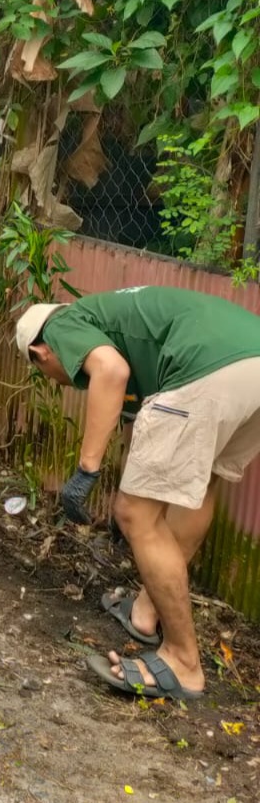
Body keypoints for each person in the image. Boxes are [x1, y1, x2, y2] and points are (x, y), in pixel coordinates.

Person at [15, 285, 260, 701]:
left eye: (47, 373)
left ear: (41, 354)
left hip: (203, 369)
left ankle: (184, 663)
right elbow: (140, 420)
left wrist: (86, 472)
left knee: (134, 513)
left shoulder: (62, 325)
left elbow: (110, 372)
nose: (59, 379)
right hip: (249, 362)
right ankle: (146, 615)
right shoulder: (119, 317)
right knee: (198, 491)